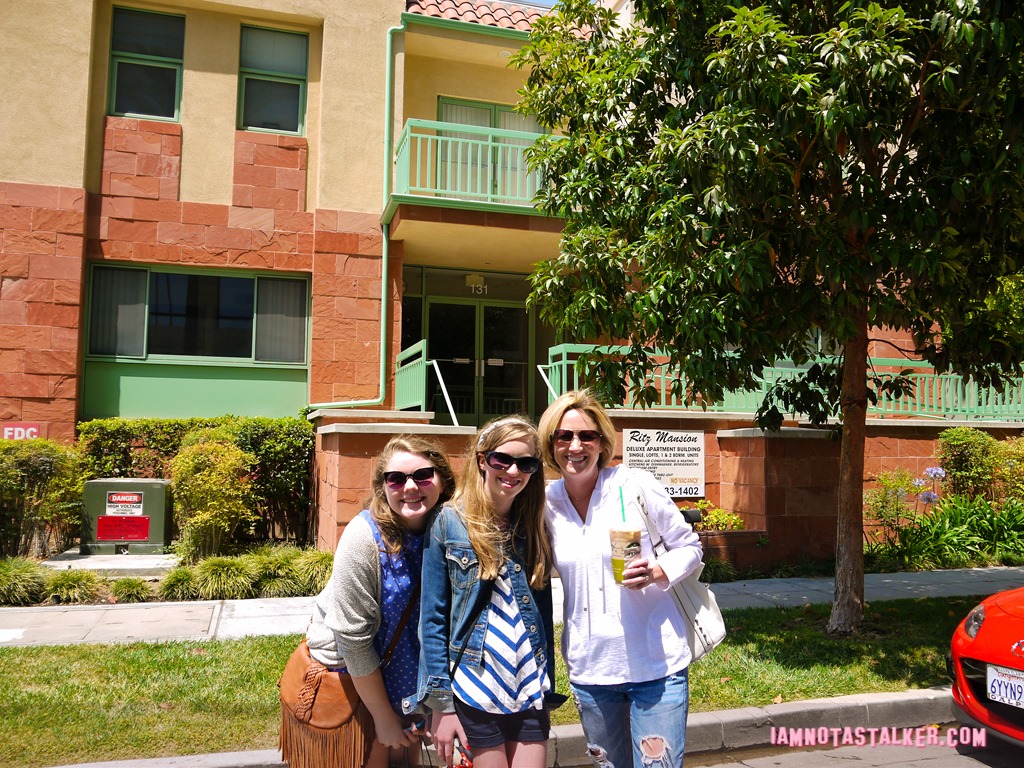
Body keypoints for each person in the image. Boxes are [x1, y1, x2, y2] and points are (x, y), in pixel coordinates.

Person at [538, 390, 704, 768]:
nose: (575, 446)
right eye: (563, 436)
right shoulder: (546, 504)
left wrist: (658, 570)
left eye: (586, 436)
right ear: (551, 445)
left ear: (601, 442)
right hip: (591, 670)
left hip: (655, 667)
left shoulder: (634, 486)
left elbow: (690, 547)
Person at [412, 416, 559, 768]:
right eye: (501, 459)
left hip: (527, 685)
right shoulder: (448, 521)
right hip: (473, 688)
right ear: (482, 460)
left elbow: (543, 610)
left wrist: (548, 681)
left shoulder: (533, 523)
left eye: (525, 463)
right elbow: (431, 620)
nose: (513, 470)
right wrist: (442, 706)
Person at [306, 434, 456, 768]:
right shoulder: (364, 538)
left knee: (406, 760)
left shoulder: (449, 531)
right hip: (355, 674)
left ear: (442, 481)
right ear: (383, 486)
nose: (410, 487)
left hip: (406, 671)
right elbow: (353, 641)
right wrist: (383, 716)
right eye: (396, 478)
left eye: (423, 475)